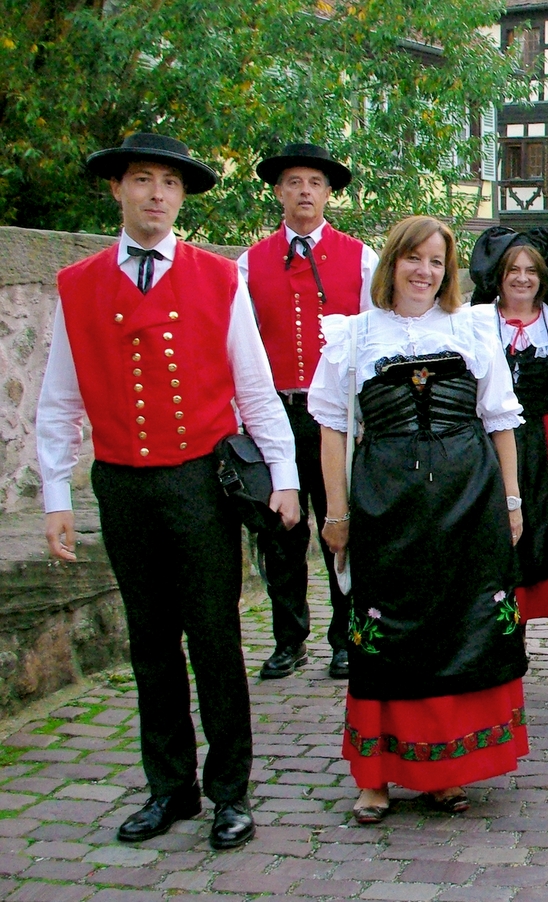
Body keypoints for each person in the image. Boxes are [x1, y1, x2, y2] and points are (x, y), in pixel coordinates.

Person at [36, 133, 301, 849]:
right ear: (118, 190)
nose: (156, 193)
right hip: (122, 483)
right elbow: (59, 399)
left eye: (169, 184)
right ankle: (170, 788)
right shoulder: (79, 284)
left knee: (214, 638)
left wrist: (286, 478)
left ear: (182, 198)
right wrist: (56, 494)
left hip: (197, 481)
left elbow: (255, 386)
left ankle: (229, 792)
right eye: (142, 180)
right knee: (150, 644)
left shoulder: (220, 278)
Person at [309, 215, 528, 820]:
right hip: (386, 503)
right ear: (392, 263)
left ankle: (444, 770)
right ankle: (376, 777)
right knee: (386, 636)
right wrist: (336, 512)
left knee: (462, 628)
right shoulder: (354, 335)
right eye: (414, 258)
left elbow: (501, 421)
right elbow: (331, 428)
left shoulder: (473, 327)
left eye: (436, 262)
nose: (425, 272)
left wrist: (511, 501)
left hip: (468, 499)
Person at [240, 143, 379, 681]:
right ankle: (287, 638)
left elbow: (373, 340)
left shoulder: (360, 257)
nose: (304, 191)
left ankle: (346, 637)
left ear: (327, 193)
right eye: (293, 182)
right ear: (278, 191)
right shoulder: (248, 263)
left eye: (314, 183)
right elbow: (239, 344)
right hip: (275, 413)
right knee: (281, 533)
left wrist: (366, 415)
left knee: (338, 523)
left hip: (338, 416)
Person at [469, 227, 548, 621]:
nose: (522, 278)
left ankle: (519, 618)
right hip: (483, 439)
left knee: (534, 526)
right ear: (499, 276)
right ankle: (485, 613)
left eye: (531, 270)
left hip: (540, 436)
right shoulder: (476, 323)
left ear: (542, 278)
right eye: (513, 269)